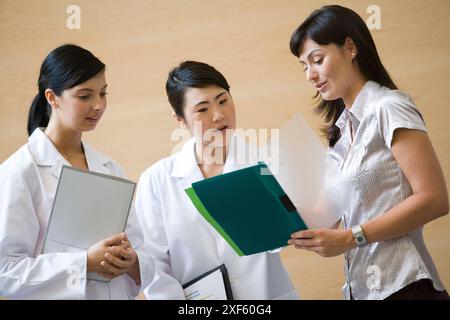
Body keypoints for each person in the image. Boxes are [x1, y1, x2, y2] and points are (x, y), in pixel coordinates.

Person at [287, 5, 449, 300]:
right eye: (304, 66)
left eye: (317, 60)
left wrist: (351, 237)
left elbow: (435, 199)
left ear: (350, 48)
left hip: (406, 286)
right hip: (362, 292)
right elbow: (327, 219)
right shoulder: (338, 137)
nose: (310, 75)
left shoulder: (389, 107)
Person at [0, 44, 153, 299]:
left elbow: (139, 251)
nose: (98, 105)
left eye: (103, 93)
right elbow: (6, 271)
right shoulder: (19, 172)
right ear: (52, 98)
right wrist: (84, 263)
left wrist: (131, 261)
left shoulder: (110, 168)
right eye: (85, 96)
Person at [135, 60, 298, 299]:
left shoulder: (266, 163)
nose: (219, 115)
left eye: (223, 101)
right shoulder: (156, 180)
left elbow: (286, 233)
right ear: (180, 119)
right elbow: (154, 265)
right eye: (202, 109)